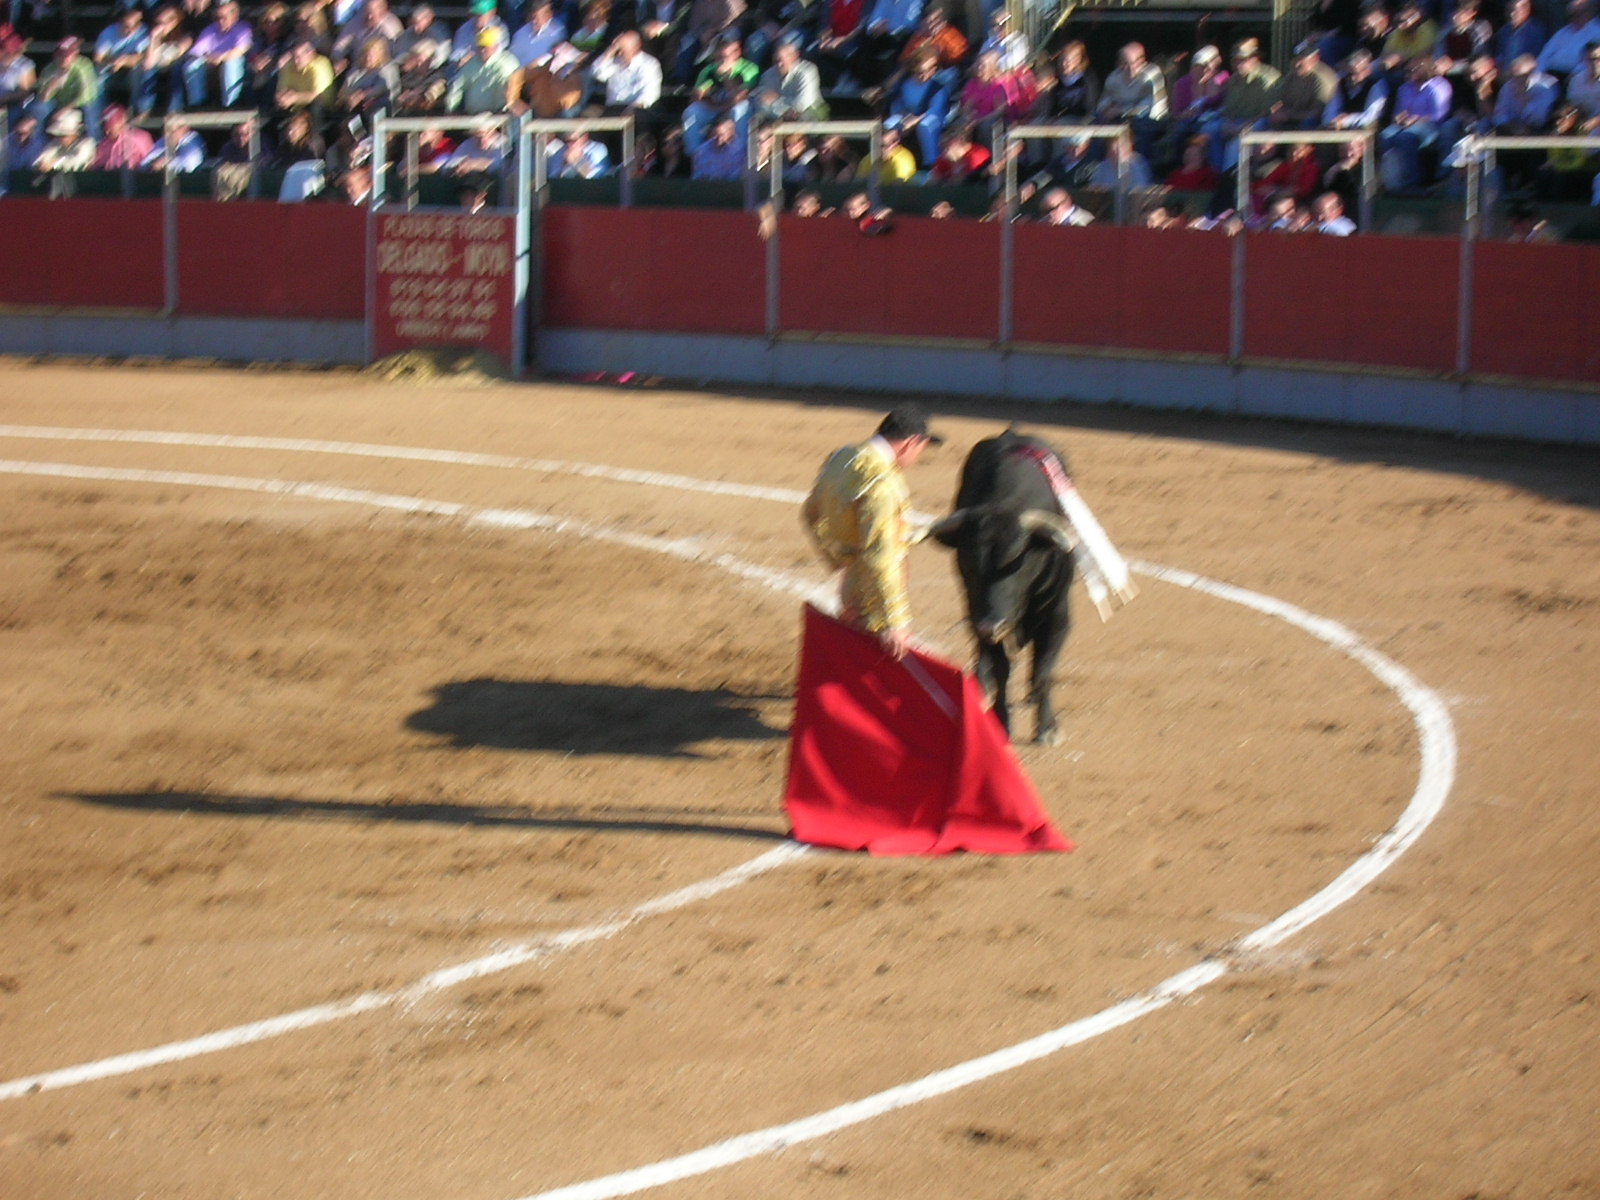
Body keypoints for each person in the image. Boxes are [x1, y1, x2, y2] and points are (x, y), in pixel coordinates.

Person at [801, 403, 943, 660]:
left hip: (852, 581)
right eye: (921, 448)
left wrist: (840, 560)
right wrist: (894, 620)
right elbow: (882, 556)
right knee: (877, 659)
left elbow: (811, 513)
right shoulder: (884, 485)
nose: (918, 457)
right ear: (910, 443)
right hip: (873, 593)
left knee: (855, 650)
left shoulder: (843, 458)